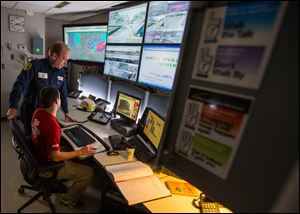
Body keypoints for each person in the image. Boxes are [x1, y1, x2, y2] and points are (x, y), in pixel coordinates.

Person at [31, 86, 96, 208]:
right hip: (47, 166)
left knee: (68, 147)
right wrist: (80, 152)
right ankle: (68, 200)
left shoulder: (38, 112)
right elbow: (56, 157)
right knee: (89, 172)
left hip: (38, 154)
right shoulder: (52, 125)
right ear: (57, 101)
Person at [6, 41, 75, 137]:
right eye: (64, 59)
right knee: (31, 139)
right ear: (54, 56)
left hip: (48, 114)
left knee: (44, 139)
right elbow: (19, 84)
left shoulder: (62, 73)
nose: (66, 63)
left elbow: (63, 93)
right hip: (31, 112)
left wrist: (66, 113)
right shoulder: (35, 65)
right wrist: (13, 106)